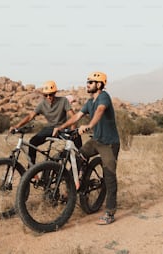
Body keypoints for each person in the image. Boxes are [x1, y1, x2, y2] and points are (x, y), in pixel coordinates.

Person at [53, 71, 120, 225]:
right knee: (77, 158)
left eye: (90, 82)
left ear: (99, 84)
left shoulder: (104, 97)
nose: (87, 84)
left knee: (109, 176)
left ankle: (110, 212)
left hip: (109, 143)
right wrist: (61, 127)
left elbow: (100, 110)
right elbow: (77, 116)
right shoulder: (89, 102)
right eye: (87, 82)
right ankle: (77, 184)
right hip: (96, 140)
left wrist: (89, 125)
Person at [9, 80, 81, 165]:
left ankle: (82, 162)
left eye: (50, 94)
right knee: (33, 142)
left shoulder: (63, 101)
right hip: (50, 128)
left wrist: (72, 130)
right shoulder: (42, 104)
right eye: (45, 95)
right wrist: (16, 126)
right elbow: (30, 116)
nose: (48, 97)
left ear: (55, 93)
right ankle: (32, 170)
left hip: (62, 128)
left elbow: (73, 117)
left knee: (76, 137)